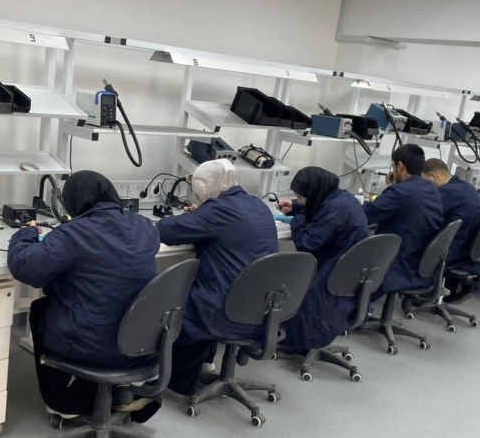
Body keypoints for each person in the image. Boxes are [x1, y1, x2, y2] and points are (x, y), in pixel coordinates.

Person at [8, 171, 160, 421]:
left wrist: (25, 234)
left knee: (41, 309)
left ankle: (64, 403)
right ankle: (124, 393)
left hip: (94, 345)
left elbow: (24, 266)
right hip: (140, 341)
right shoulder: (144, 226)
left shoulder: (73, 234)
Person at [156, 160, 278, 396]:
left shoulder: (218, 211)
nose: (197, 194)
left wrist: (199, 216)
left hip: (225, 307)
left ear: (206, 185)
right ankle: (206, 362)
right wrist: (201, 215)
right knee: (210, 287)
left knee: (173, 302)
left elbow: (166, 231)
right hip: (262, 306)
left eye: (198, 188)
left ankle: (177, 381)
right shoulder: (257, 203)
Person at [277, 167, 369, 353]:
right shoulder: (341, 198)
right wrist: (296, 206)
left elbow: (306, 244)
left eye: (300, 197)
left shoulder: (335, 210)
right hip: (350, 270)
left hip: (333, 273)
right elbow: (321, 208)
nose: (300, 200)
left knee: (292, 280)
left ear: (313, 192)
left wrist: (297, 219)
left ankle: (297, 340)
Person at [362, 144, 444, 299]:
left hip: (398, 265)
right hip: (420, 264)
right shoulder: (430, 188)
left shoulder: (400, 192)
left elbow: (365, 215)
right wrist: (396, 187)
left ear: (400, 166)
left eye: (393, 166)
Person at [422, 158, 480, 276]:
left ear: (433, 176)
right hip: (468, 250)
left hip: (453, 252)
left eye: (424, 181)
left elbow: (422, 213)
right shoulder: (467, 187)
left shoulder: (447, 192)